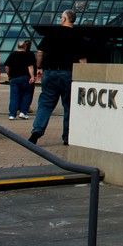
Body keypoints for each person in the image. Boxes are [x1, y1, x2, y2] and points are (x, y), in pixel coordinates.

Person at [29, 10, 86, 146]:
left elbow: (40, 52)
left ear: (65, 18)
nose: (60, 19)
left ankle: (37, 130)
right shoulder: (78, 36)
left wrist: (39, 67)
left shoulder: (52, 33)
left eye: (61, 17)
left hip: (50, 73)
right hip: (69, 74)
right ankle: (67, 137)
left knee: (45, 103)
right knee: (69, 106)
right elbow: (83, 60)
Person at [4, 40, 37, 120]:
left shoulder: (12, 54)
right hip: (25, 78)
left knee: (14, 96)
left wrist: (9, 75)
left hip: (14, 78)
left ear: (17, 46)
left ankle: (12, 114)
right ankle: (23, 112)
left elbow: (7, 67)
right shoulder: (28, 55)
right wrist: (32, 76)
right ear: (25, 46)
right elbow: (30, 67)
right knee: (26, 95)